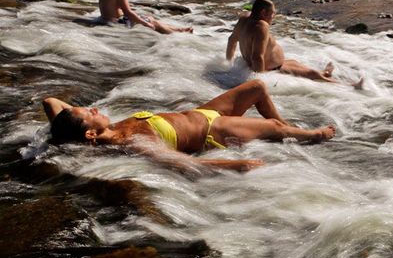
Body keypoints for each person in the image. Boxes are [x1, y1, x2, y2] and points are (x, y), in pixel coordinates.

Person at [42, 80, 336, 172]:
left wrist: (61, 129)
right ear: (91, 133)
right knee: (269, 122)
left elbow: (50, 101)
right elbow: (183, 163)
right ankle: (312, 135)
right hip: (213, 133)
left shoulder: (102, 128)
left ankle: (284, 130)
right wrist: (237, 165)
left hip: (202, 113)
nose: (94, 108)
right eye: (88, 112)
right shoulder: (131, 143)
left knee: (258, 86)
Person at [227, 0, 359, 85]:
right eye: (272, 14)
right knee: (312, 74)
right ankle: (350, 86)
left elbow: (232, 40)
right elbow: (257, 57)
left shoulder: (244, 18)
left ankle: (325, 73)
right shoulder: (261, 26)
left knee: (297, 63)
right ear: (263, 12)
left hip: (271, 65)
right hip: (271, 70)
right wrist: (261, 82)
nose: (273, 17)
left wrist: (228, 63)